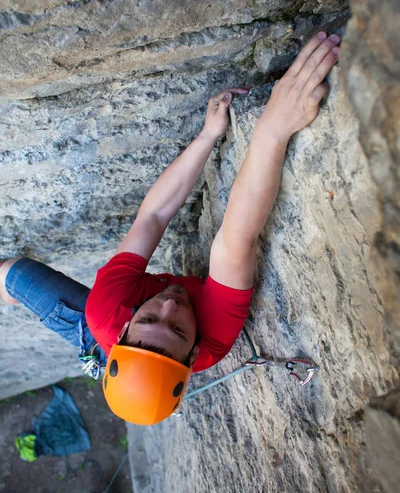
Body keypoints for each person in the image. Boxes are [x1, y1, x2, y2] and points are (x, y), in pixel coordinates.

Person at [0, 32, 340, 425]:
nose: (169, 305)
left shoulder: (107, 309)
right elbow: (234, 243)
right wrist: (273, 129)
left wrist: (207, 135)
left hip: (93, 330)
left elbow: (154, 217)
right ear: (193, 354)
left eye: (147, 320)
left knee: (11, 272)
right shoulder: (213, 340)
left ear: (125, 326)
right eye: (177, 329)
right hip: (130, 358)